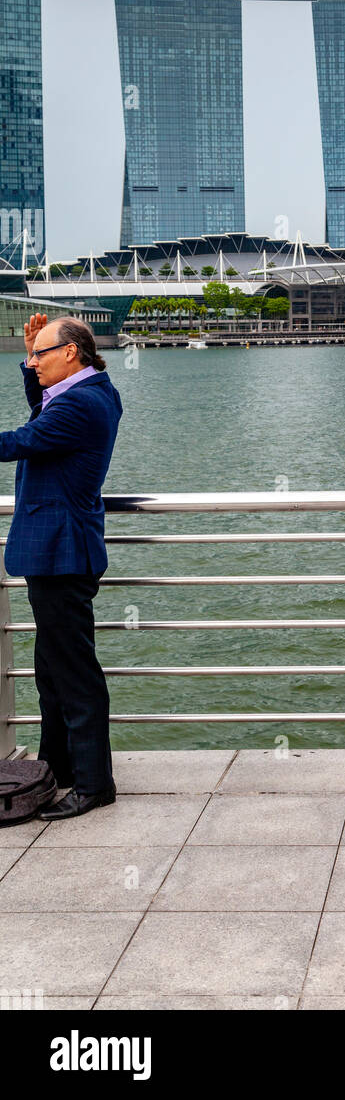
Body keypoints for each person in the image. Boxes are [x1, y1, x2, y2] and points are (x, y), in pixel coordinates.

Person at [0, 314, 123, 820]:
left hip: (62, 551)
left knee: (73, 673)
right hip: (58, 548)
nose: (33, 362)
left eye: (40, 356)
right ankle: (61, 768)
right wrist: (33, 363)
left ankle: (94, 783)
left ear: (70, 353)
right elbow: (41, 416)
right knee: (52, 669)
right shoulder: (89, 392)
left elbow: (20, 441)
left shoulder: (81, 404)